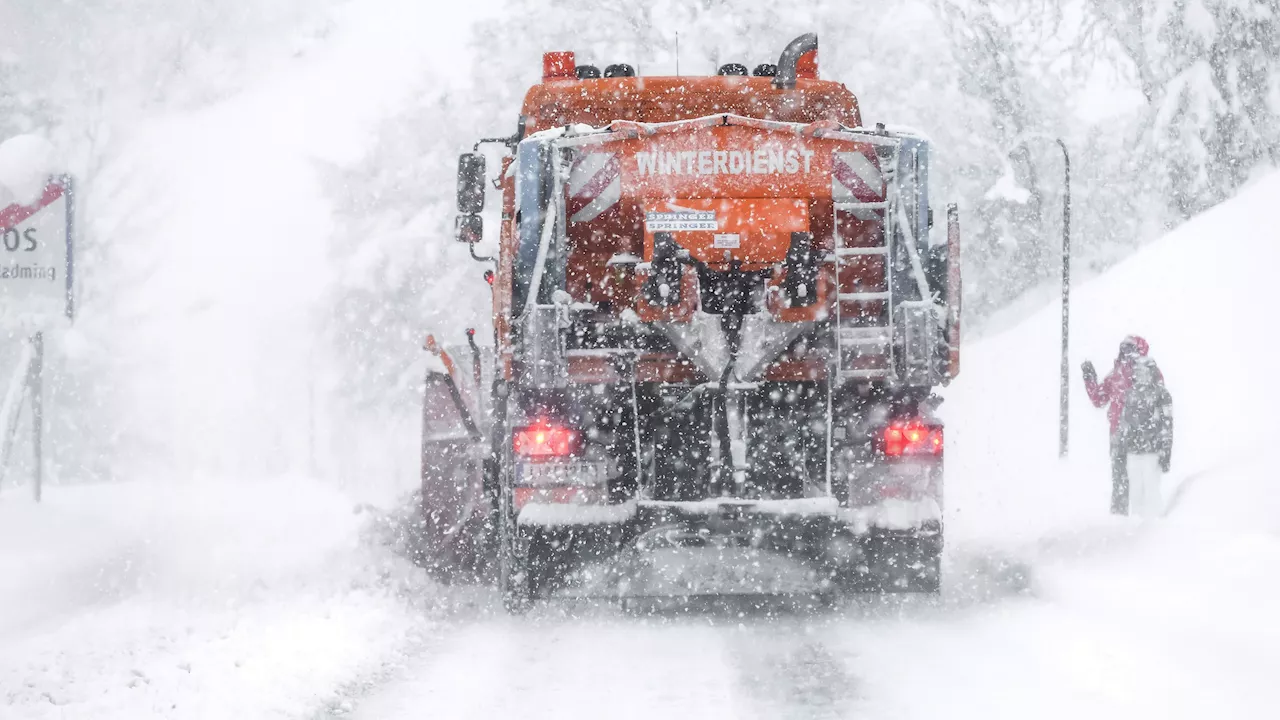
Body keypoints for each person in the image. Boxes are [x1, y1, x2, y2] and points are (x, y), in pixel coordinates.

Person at [1082, 336, 1173, 516]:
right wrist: (1090, 379)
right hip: (1118, 433)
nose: (1127, 353)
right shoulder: (1116, 374)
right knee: (1120, 479)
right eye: (1124, 349)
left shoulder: (1149, 372)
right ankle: (1121, 520)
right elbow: (1099, 399)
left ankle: (1144, 521)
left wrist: (1159, 437)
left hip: (1143, 437)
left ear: (1141, 351)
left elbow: (1160, 402)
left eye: (1131, 349)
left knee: (1143, 481)